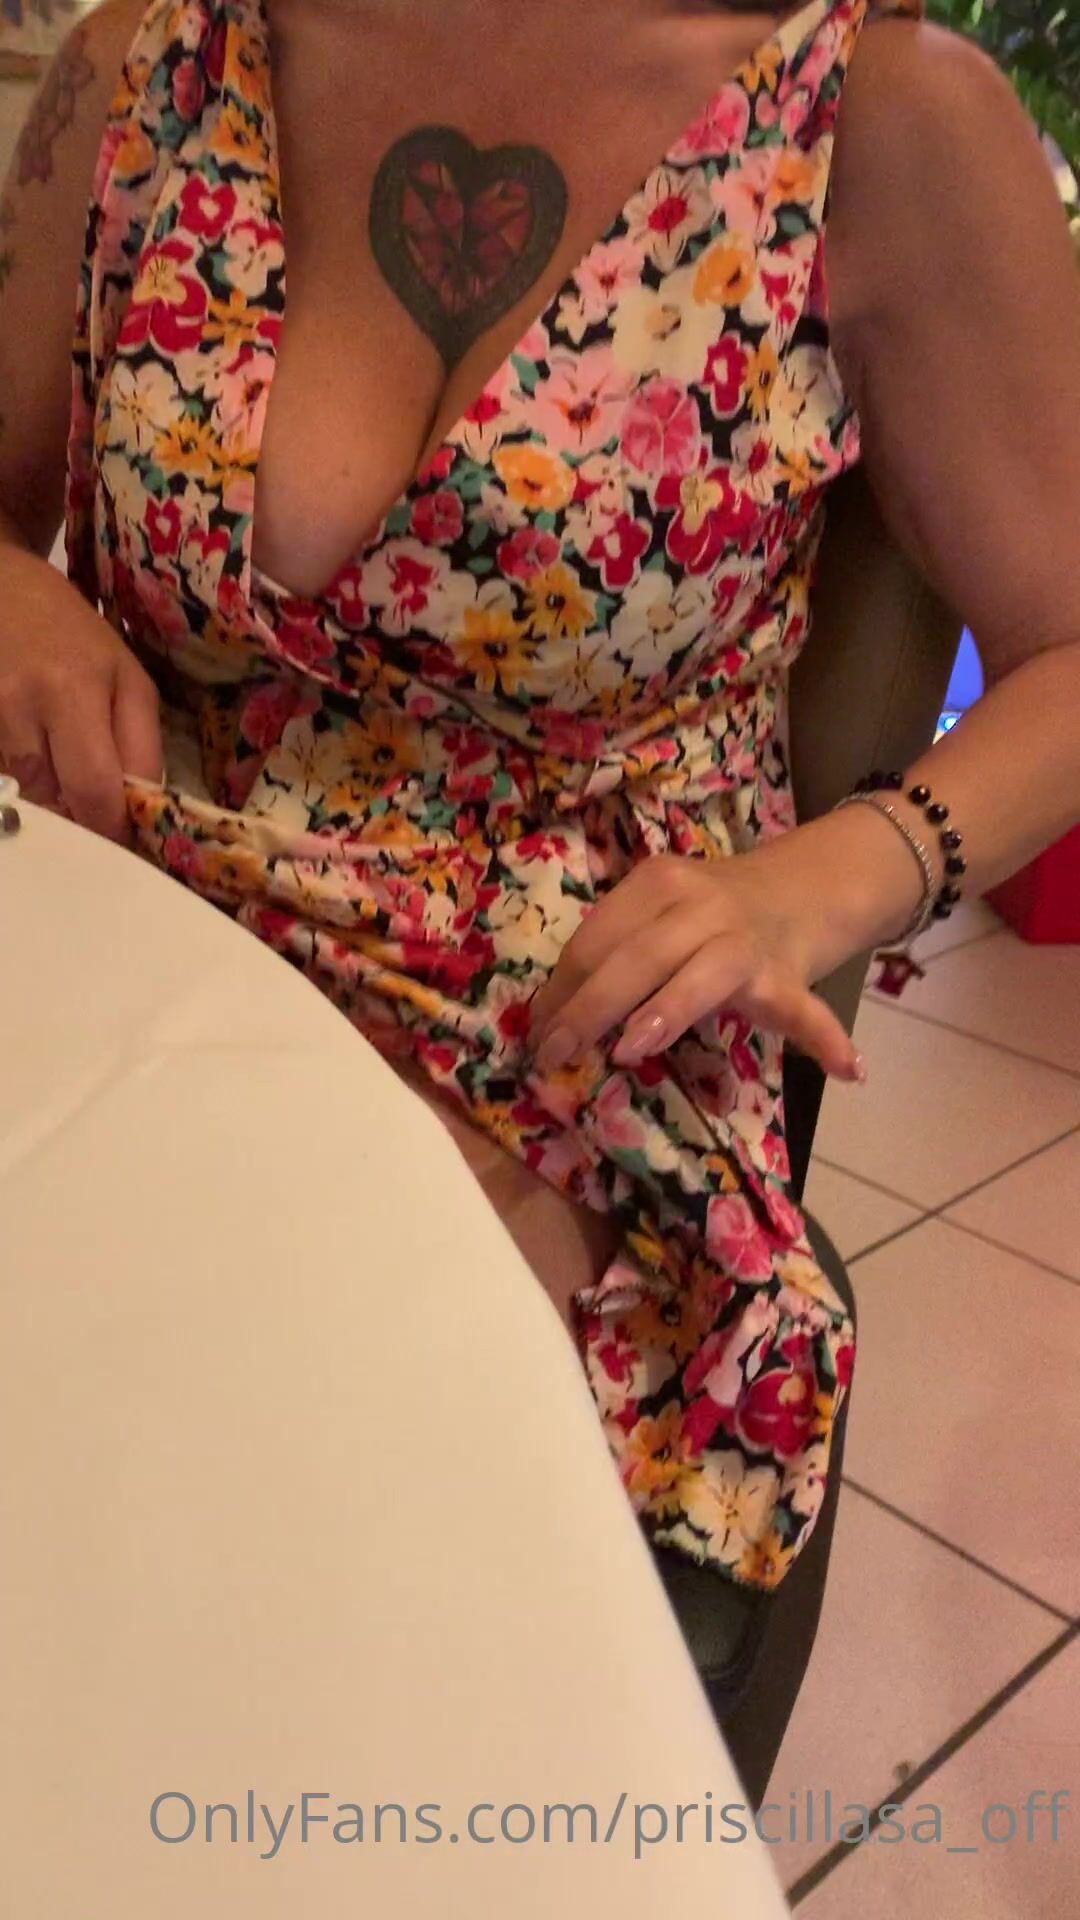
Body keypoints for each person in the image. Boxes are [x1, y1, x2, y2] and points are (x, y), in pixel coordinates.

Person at [0, 0, 1077, 1593]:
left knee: (238, 1491)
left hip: (552, 1020)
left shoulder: (877, 119)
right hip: (137, 912)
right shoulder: (145, 63)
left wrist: (833, 874)